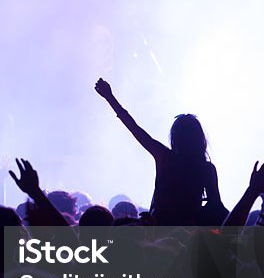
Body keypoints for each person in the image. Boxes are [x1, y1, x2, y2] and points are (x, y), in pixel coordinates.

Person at [94, 78, 224, 225]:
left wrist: (110, 97)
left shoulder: (165, 158)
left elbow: (134, 128)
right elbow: (215, 206)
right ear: (200, 139)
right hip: (190, 232)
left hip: (159, 228)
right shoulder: (206, 169)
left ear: (175, 137)